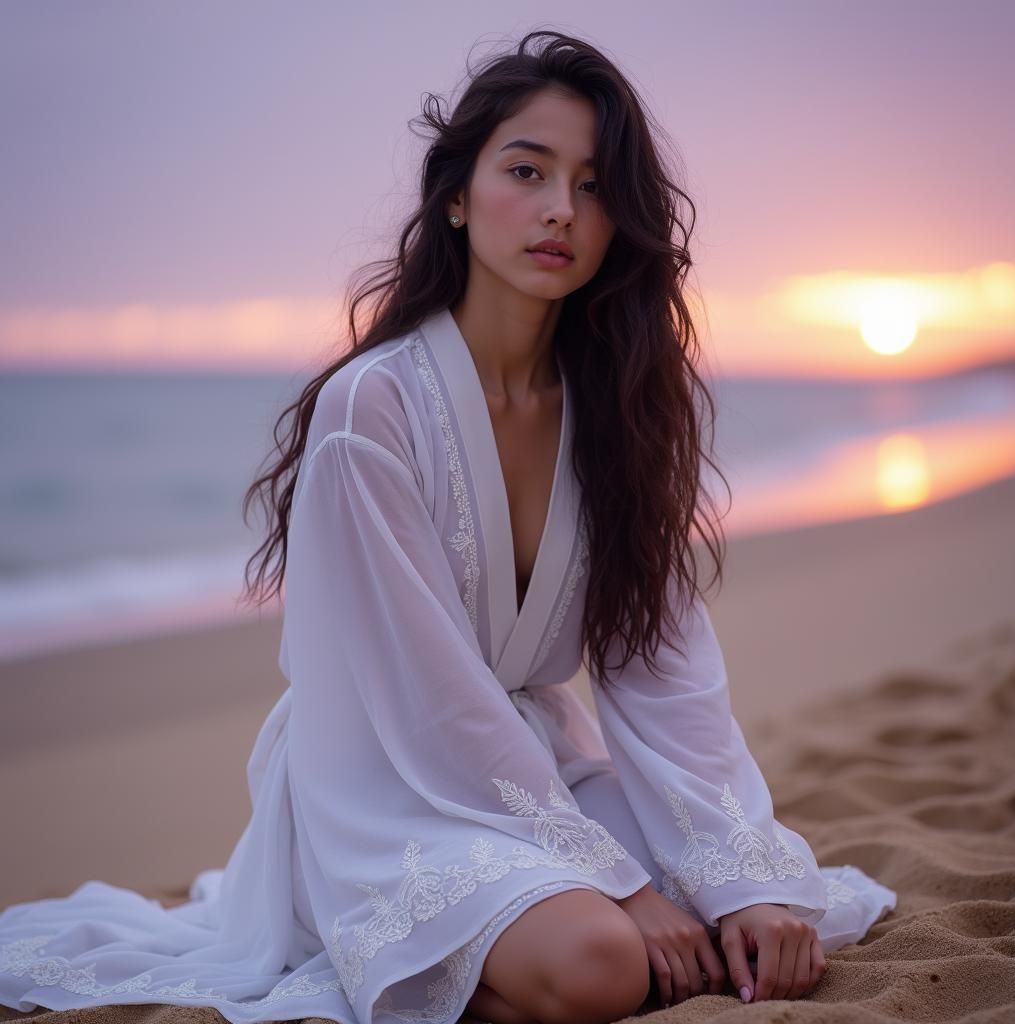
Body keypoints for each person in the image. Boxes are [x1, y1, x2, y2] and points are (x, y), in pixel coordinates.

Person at [0, 29, 896, 1024]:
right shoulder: (372, 409)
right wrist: (622, 885)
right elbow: (428, 696)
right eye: (527, 170)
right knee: (606, 957)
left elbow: (662, 664)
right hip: (379, 776)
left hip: (533, 766)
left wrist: (742, 882)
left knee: (737, 915)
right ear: (457, 196)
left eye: (594, 186)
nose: (560, 209)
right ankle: (412, 962)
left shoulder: (622, 408)